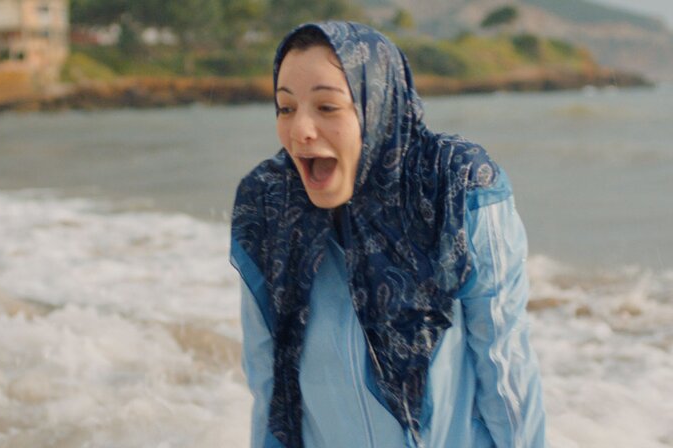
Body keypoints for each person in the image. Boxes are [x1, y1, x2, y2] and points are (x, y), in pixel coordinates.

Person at [230, 21, 545, 448]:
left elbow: (504, 365)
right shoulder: (270, 206)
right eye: (285, 108)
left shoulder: (453, 186)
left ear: (378, 104)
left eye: (327, 107)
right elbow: (270, 386)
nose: (300, 130)